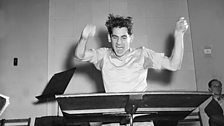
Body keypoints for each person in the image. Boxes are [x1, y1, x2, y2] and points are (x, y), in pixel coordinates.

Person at [74, 14, 188, 126]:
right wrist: (84, 38)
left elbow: (174, 65)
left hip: (140, 119)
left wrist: (179, 35)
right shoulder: (103, 55)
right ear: (109, 37)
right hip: (113, 119)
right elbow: (80, 55)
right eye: (115, 37)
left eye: (124, 37)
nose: (119, 43)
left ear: (131, 38)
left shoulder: (142, 54)